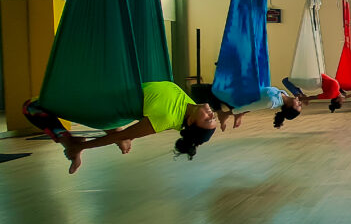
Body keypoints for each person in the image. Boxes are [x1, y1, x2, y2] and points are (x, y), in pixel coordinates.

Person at [23, 81, 217, 174]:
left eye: (208, 120)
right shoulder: (189, 104)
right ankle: (74, 141)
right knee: (36, 104)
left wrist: (82, 147)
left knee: (31, 107)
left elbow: (123, 135)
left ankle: (70, 143)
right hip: (108, 92)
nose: (211, 114)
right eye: (213, 117)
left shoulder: (167, 117)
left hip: (99, 107)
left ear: (191, 122)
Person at [211, 86, 304, 131]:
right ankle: (236, 115)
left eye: (298, 106)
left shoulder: (272, 101)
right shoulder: (284, 94)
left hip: (238, 97)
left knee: (213, 93)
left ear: (289, 107)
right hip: (245, 89)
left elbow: (252, 106)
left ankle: (224, 115)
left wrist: (228, 113)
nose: (300, 103)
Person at [282, 74, 347, 113]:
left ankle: (299, 94)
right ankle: (299, 94)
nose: (344, 100)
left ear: (337, 100)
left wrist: (302, 99)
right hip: (314, 78)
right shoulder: (335, 92)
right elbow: (314, 97)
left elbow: (314, 97)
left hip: (314, 79)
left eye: (342, 102)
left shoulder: (333, 94)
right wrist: (302, 98)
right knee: (286, 81)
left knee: (286, 80)